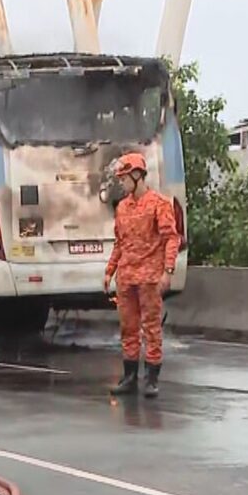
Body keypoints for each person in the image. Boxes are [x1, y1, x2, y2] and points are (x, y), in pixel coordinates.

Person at [103, 152, 179, 398]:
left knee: (151, 328)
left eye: (125, 178)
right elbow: (119, 243)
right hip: (126, 278)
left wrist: (168, 270)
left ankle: (152, 379)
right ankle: (129, 377)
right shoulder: (122, 207)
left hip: (149, 278)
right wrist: (109, 271)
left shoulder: (159, 204)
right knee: (128, 328)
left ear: (137, 175)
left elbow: (171, 239)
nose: (122, 183)